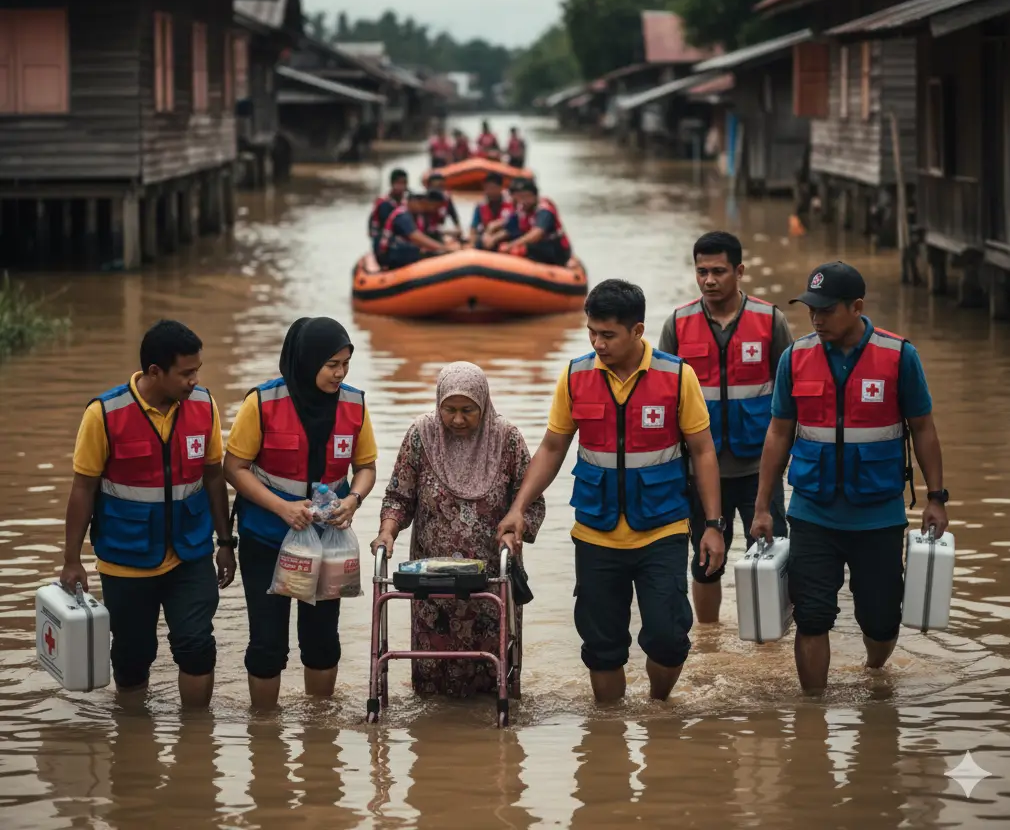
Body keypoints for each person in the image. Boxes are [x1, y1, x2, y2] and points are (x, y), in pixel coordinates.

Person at [497, 280, 725, 703]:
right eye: (592, 332)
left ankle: (659, 710)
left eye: (608, 335)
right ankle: (608, 732)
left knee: (669, 638)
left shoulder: (678, 377)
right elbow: (551, 447)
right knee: (602, 649)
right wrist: (518, 508)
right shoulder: (575, 375)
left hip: (663, 529)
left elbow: (703, 452)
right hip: (596, 534)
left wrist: (713, 525)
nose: (597, 343)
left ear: (638, 331)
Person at [751, 262, 948, 695]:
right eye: (810, 310)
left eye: (826, 310)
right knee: (813, 615)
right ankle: (813, 716)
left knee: (880, 621)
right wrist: (763, 506)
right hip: (812, 511)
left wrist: (936, 497)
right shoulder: (795, 358)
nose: (816, 318)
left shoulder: (899, 356)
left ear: (856, 307)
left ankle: (875, 675)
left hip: (877, 514)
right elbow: (778, 432)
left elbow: (924, 428)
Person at [60, 320, 235, 707]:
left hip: (190, 554)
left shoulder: (204, 407)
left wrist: (225, 543)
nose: (195, 381)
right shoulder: (104, 414)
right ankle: (134, 743)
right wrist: (72, 559)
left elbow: (213, 478)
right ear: (155, 372)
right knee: (132, 656)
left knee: (196, 646)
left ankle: (196, 743)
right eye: (186, 373)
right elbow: (82, 489)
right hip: (127, 558)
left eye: (198, 371)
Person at [224, 317, 378, 709]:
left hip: (328, 541)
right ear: (306, 361)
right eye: (331, 365)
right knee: (267, 642)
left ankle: (319, 733)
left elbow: (366, 467)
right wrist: (282, 507)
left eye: (345, 363)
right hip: (267, 539)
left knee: (323, 640)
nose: (340, 373)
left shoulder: (354, 403)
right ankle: (264, 733)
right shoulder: (262, 403)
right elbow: (234, 467)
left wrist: (353, 500)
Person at [371, 362, 544, 697]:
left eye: (468, 410)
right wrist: (387, 532)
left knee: (494, 675)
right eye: (449, 410)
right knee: (433, 677)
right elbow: (399, 496)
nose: (458, 419)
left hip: (489, 580)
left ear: (484, 403)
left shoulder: (506, 439)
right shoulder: (421, 436)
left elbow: (531, 501)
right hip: (430, 581)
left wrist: (517, 528)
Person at [658, 231, 791, 624]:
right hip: (700, 472)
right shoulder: (678, 325)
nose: (709, 280)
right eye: (702, 271)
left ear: (740, 271)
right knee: (704, 561)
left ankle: (770, 639)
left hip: (758, 470)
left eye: (718, 271)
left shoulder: (770, 320)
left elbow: (791, 396)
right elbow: (664, 400)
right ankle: (709, 639)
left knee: (770, 555)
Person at [498, 177, 572, 266]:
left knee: (523, 249)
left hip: (555, 250)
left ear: (535, 196)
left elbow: (537, 233)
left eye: (527, 197)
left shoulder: (544, 210)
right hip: (539, 246)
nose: (524, 201)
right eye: (521, 197)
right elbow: (509, 229)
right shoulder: (522, 210)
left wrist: (511, 245)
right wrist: (494, 238)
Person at [376, 192, 459, 269]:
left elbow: (429, 232)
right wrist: (443, 248)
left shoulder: (417, 216)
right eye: (420, 203)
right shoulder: (403, 216)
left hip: (400, 251)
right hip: (391, 254)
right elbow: (415, 236)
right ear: (411, 202)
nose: (422, 206)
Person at [368, 168, 409, 254]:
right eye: (398, 183)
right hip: (386, 243)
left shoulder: (408, 202)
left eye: (404, 183)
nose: (401, 187)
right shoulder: (384, 205)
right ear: (391, 184)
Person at [470, 171, 515, 249]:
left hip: (505, 237)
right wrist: (472, 243)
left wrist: (494, 233)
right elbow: (473, 227)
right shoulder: (481, 205)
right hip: (486, 238)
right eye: (487, 188)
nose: (490, 191)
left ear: (501, 188)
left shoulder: (512, 203)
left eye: (493, 188)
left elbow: (512, 225)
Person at [424, 172, 464, 242]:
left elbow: (454, 217)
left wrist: (459, 231)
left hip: (439, 232)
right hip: (426, 234)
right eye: (436, 187)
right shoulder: (422, 201)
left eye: (440, 186)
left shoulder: (446, 200)